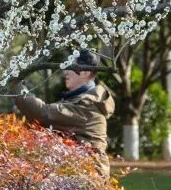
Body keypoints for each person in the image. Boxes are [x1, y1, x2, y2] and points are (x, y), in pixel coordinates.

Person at [14, 48, 114, 179]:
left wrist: (15, 84)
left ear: (85, 71)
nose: (65, 72)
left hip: (87, 179)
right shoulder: (80, 100)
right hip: (80, 175)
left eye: (70, 66)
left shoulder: (87, 106)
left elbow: (42, 113)